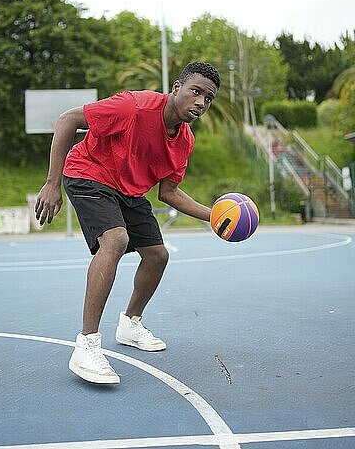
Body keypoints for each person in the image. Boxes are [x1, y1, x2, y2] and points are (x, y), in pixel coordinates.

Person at [35, 61, 220, 384]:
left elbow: (170, 192)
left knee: (158, 255)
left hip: (128, 189)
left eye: (208, 98)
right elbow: (68, 120)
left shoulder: (184, 140)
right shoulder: (133, 106)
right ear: (176, 89)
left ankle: (130, 323)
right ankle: (87, 344)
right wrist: (52, 183)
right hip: (88, 173)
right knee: (116, 240)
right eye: (196, 92)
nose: (201, 103)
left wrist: (215, 216)